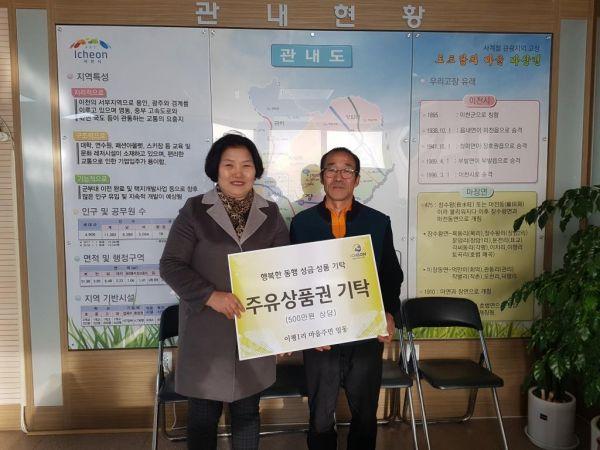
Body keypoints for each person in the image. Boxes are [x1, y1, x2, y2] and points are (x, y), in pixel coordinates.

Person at [159, 134, 289, 450]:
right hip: (206, 330)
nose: (238, 173)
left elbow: (284, 271)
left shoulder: (271, 214)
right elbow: (171, 265)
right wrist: (210, 295)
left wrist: (283, 331)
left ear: (256, 170)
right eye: (229, 165)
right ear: (215, 169)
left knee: (247, 414)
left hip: (254, 330)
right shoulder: (195, 210)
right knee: (203, 417)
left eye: (246, 165)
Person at [289, 147, 402, 450]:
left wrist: (389, 312)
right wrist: (302, 326)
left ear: (357, 179)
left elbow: (391, 275)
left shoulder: (378, 222)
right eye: (331, 169)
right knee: (320, 414)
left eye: (347, 170)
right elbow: (294, 279)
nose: (338, 176)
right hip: (320, 335)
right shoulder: (302, 224)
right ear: (322, 177)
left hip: (365, 331)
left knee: (364, 413)